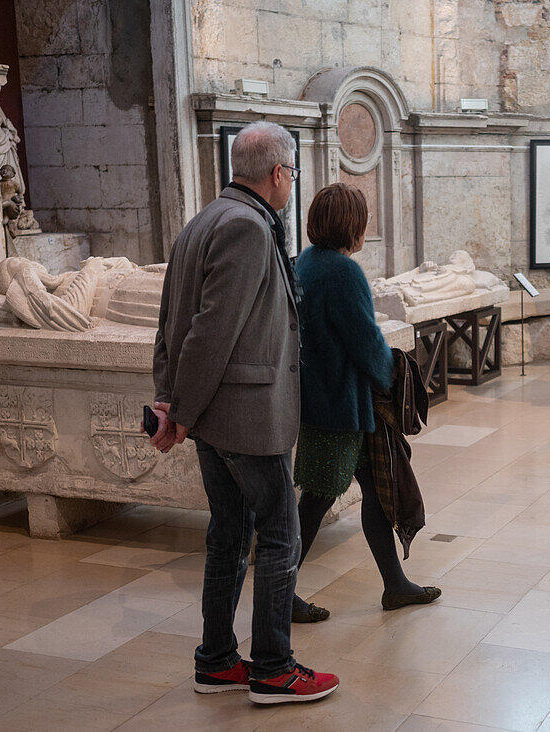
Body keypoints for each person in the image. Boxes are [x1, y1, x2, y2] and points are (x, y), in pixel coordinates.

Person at [151, 121, 338, 705]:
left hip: (216, 414)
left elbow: (169, 326)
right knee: (280, 533)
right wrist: (178, 409)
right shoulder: (247, 228)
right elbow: (210, 331)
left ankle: (217, 659)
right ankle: (274, 667)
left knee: (229, 534)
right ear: (280, 173)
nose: (293, 184)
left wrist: (172, 399)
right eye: (294, 175)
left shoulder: (204, 220)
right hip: (244, 416)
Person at [291, 183, 441, 624]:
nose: (365, 229)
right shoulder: (342, 271)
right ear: (350, 226)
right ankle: (280, 594)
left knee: (374, 490)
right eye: (362, 221)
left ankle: (394, 584)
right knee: (317, 499)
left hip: (322, 398)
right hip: (343, 406)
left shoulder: (306, 261)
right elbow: (365, 340)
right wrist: (389, 375)